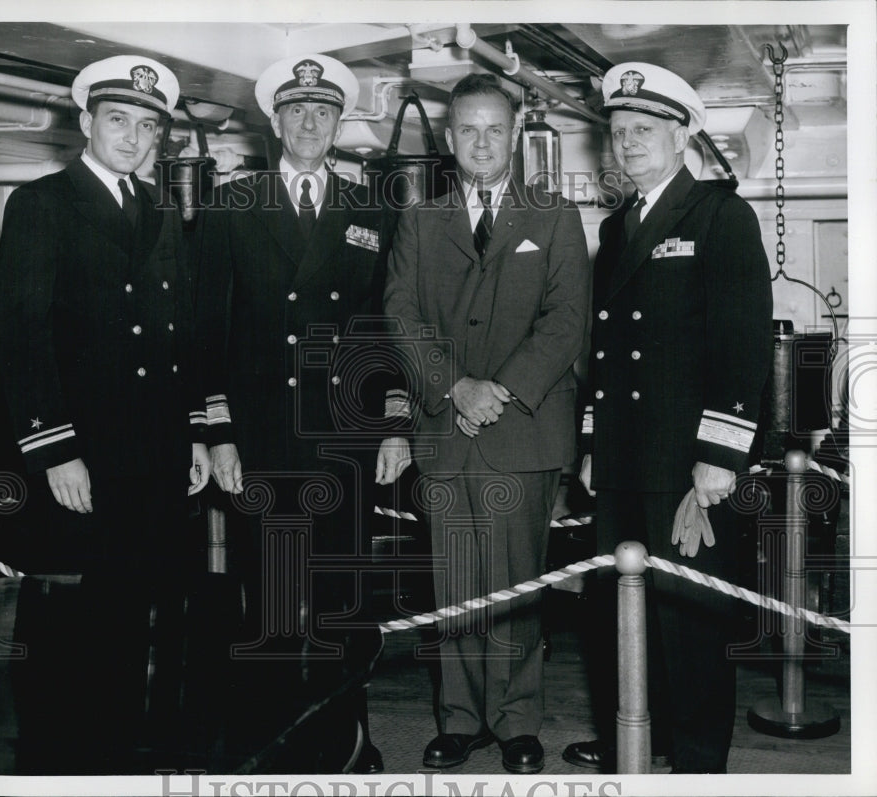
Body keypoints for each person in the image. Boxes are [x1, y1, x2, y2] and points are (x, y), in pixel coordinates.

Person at [0, 55, 211, 767]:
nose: (134, 137)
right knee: (68, 624)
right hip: (80, 457)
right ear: (86, 122)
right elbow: (21, 338)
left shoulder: (156, 210)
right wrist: (55, 449)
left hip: (151, 456)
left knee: (131, 616)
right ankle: (57, 763)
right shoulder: (42, 204)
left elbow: (174, 332)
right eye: (119, 119)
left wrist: (196, 436)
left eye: (148, 125)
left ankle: (116, 755)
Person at [563, 62, 773, 774]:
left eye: (643, 130)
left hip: (686, 465)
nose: (627, 143)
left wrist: (721, 453)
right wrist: (592, 444)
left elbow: (742, 344)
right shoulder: (620, 228)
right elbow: (603, 349)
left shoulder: (720, 215)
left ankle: (696, 756)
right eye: (618, 132)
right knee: (618, 611)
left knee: (687, 617)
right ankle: (637, 730)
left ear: (681, 133)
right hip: (623, 460)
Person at [380, 73, 590, 774]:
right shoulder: (420, 217)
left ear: (515, 132)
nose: (480, 141)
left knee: (518, 584)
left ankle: (517, 720)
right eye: (467, 129)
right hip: (447, 428)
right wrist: (454, 387)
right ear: (448, 136)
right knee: (454, 584)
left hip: (523, 428)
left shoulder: (552, 214)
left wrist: (499, 388)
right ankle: (461, 719)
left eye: (493, 128)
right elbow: (400, 317)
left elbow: (567, 322)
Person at [192, 53, 392, 774]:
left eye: (325, 111)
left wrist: (391, 421)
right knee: (268, 601)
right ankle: (270, 743)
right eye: (297, 110)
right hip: (264, 435)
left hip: (344, 437)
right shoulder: (231, 207)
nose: (310, 122)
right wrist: (217, 432)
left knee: (343, 599)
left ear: (340, 122)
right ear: (275, 120)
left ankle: (347, 744)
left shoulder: (370, 208)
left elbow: (379, 327)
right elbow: (205, 329)